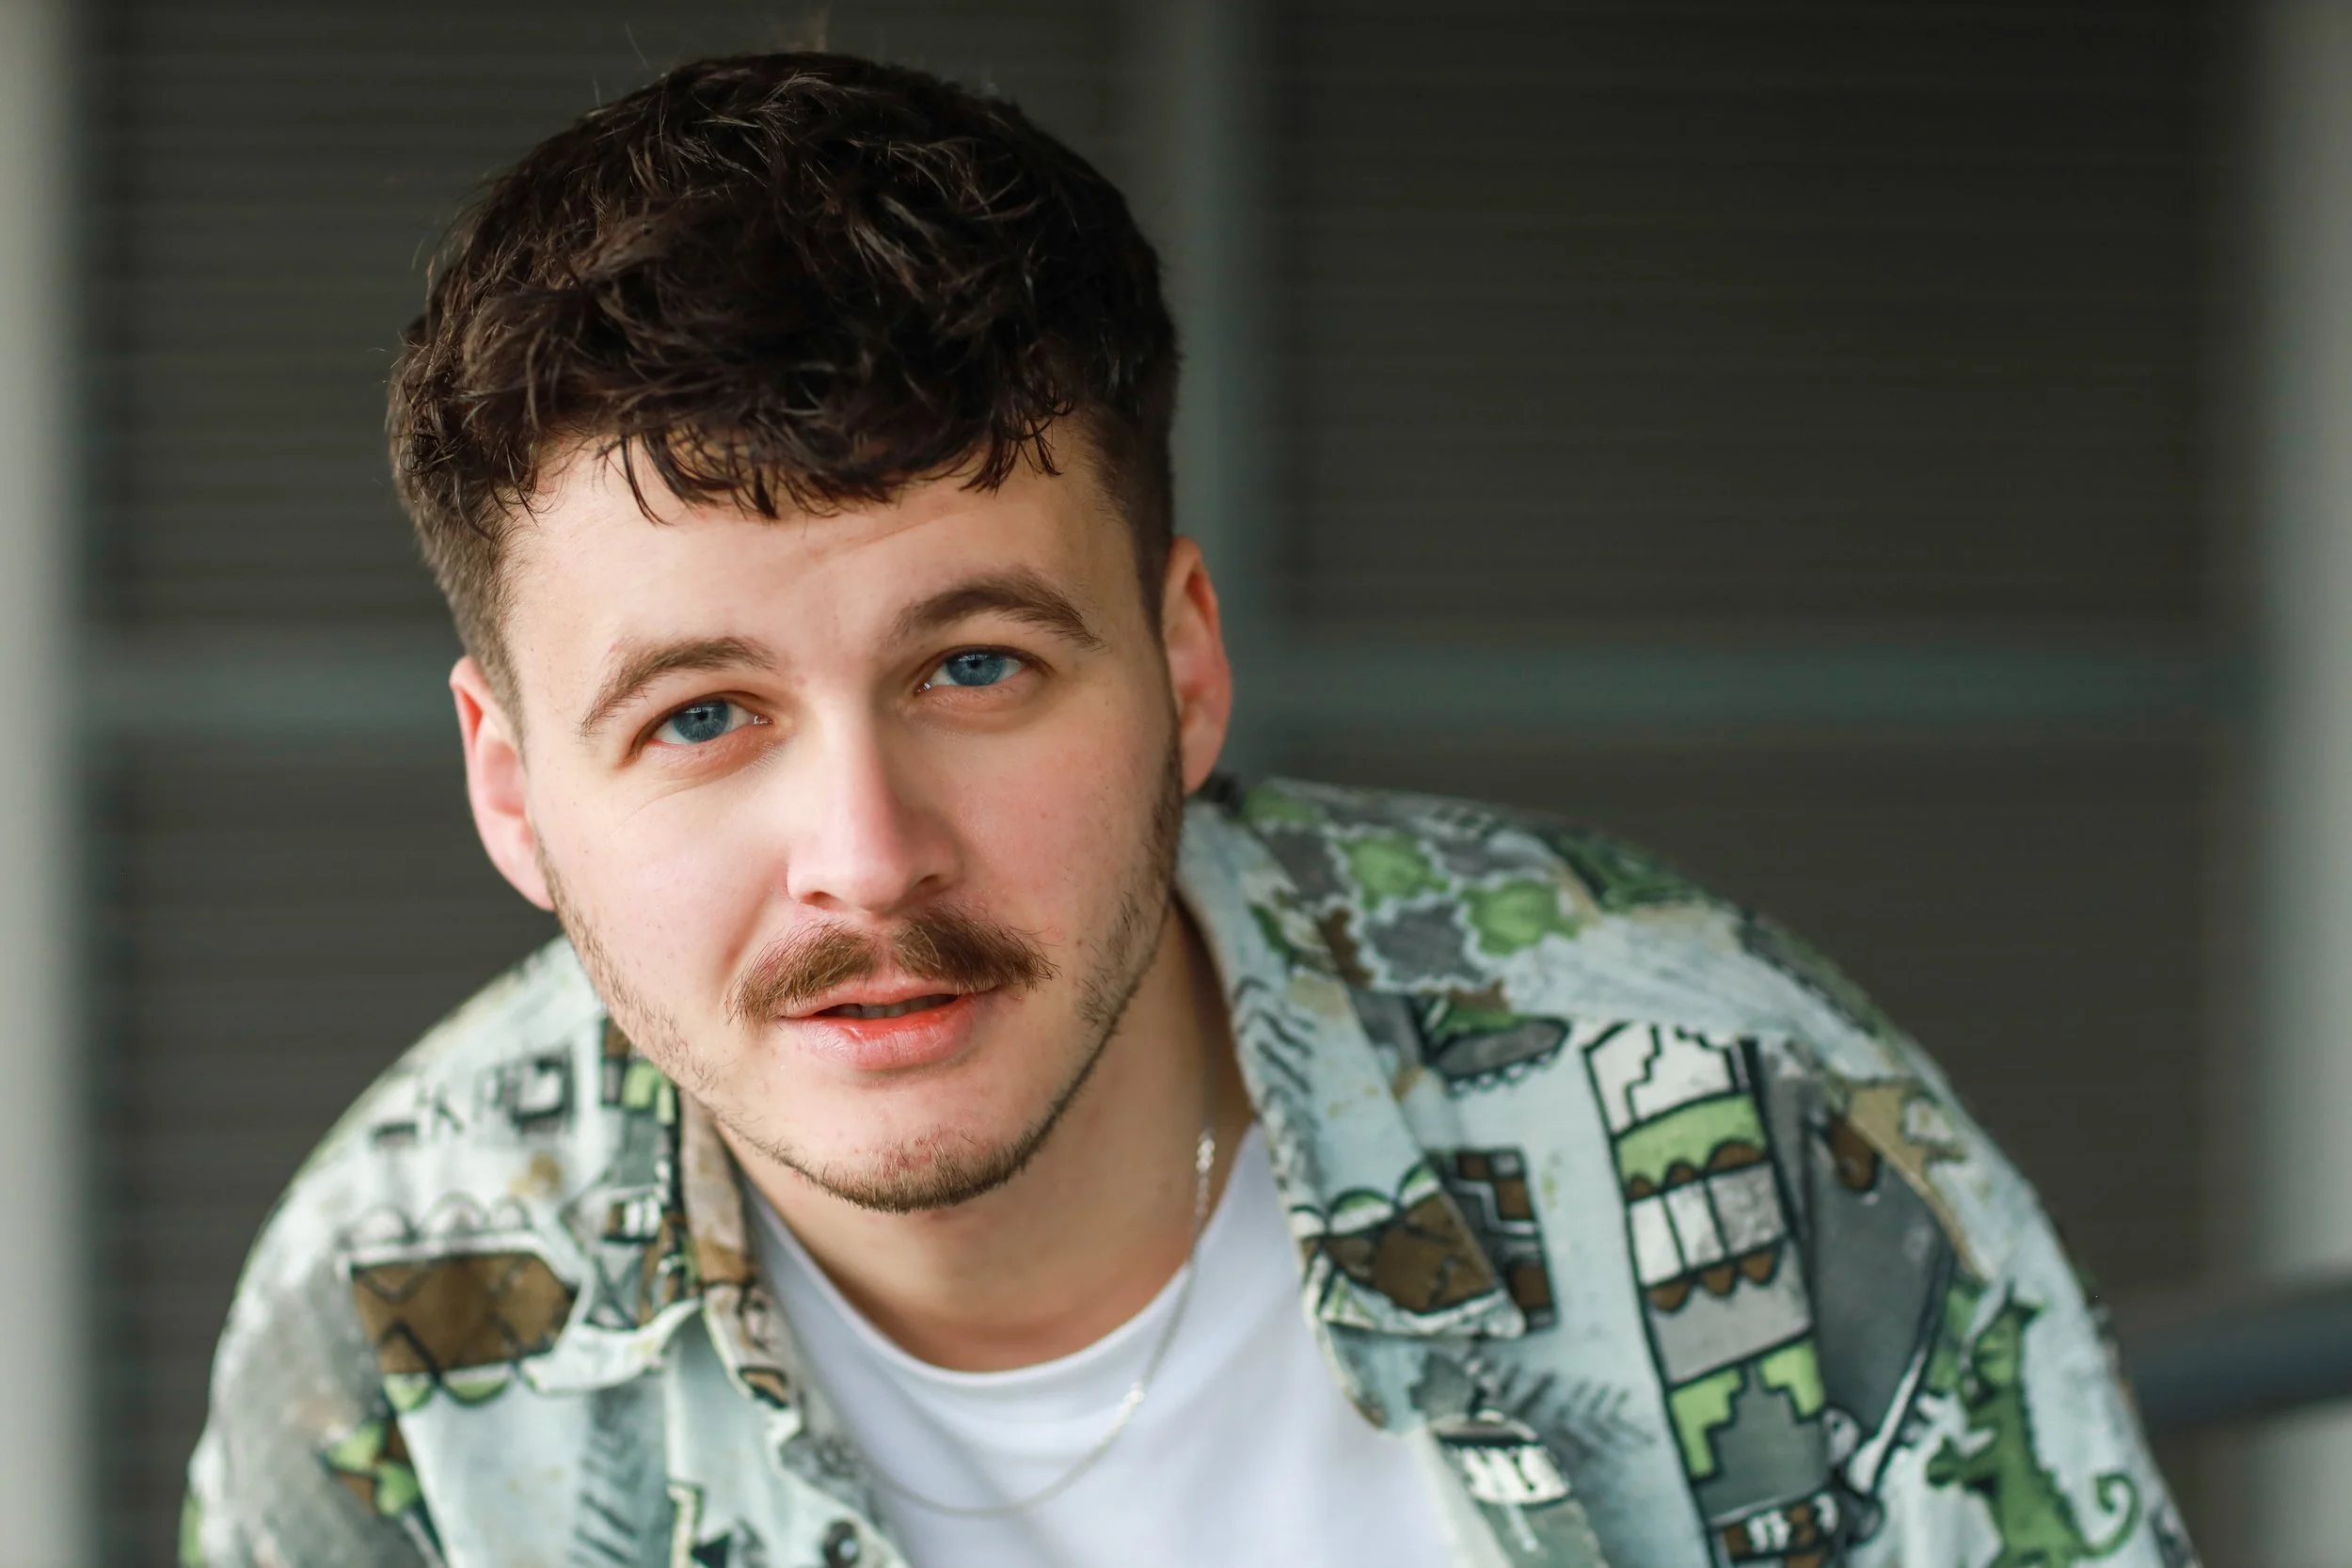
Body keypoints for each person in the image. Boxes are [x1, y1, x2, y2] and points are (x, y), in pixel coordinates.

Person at [182, 51, 2191, 1568]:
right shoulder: (394, 1327)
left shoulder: (1727, 1116)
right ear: (513, 788)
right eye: (703, 715)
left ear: (1185, 666)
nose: (867, 857)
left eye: (977, 666)